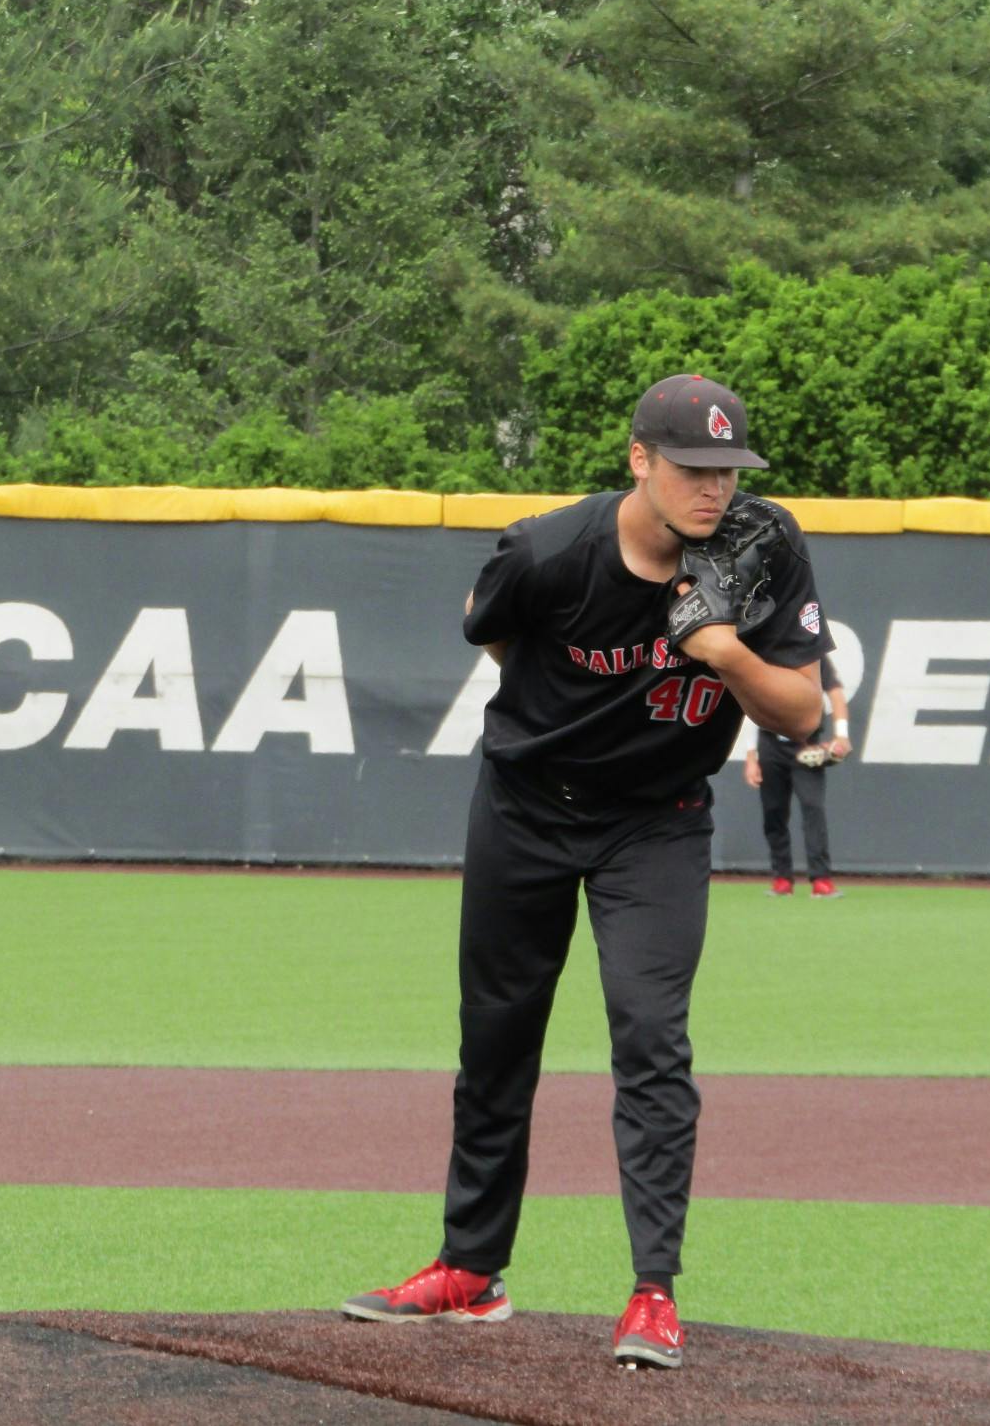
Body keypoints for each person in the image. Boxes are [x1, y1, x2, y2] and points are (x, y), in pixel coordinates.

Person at [343, 375, 832, 1369]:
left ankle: (653, 1293)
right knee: (496, 1037)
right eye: (690, 468)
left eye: (727, 470)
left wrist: (720, 651)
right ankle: (468, 1272)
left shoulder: (759, 548)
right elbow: (491, 634)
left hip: (655, 826)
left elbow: (803, 714)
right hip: (524, 809)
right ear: (638, 459)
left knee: (651, 1040)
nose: (711, 489)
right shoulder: (547, 550)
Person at [744, 657, 852, 897]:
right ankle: (782, 878)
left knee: (813, 808)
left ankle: (821, 880)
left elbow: (835, 693)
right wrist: (751, 756)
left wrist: (842, 736)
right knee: (774, 812)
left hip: (807, 746)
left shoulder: (813, 655)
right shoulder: (764, 654)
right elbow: (752, 705)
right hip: (771, 746)